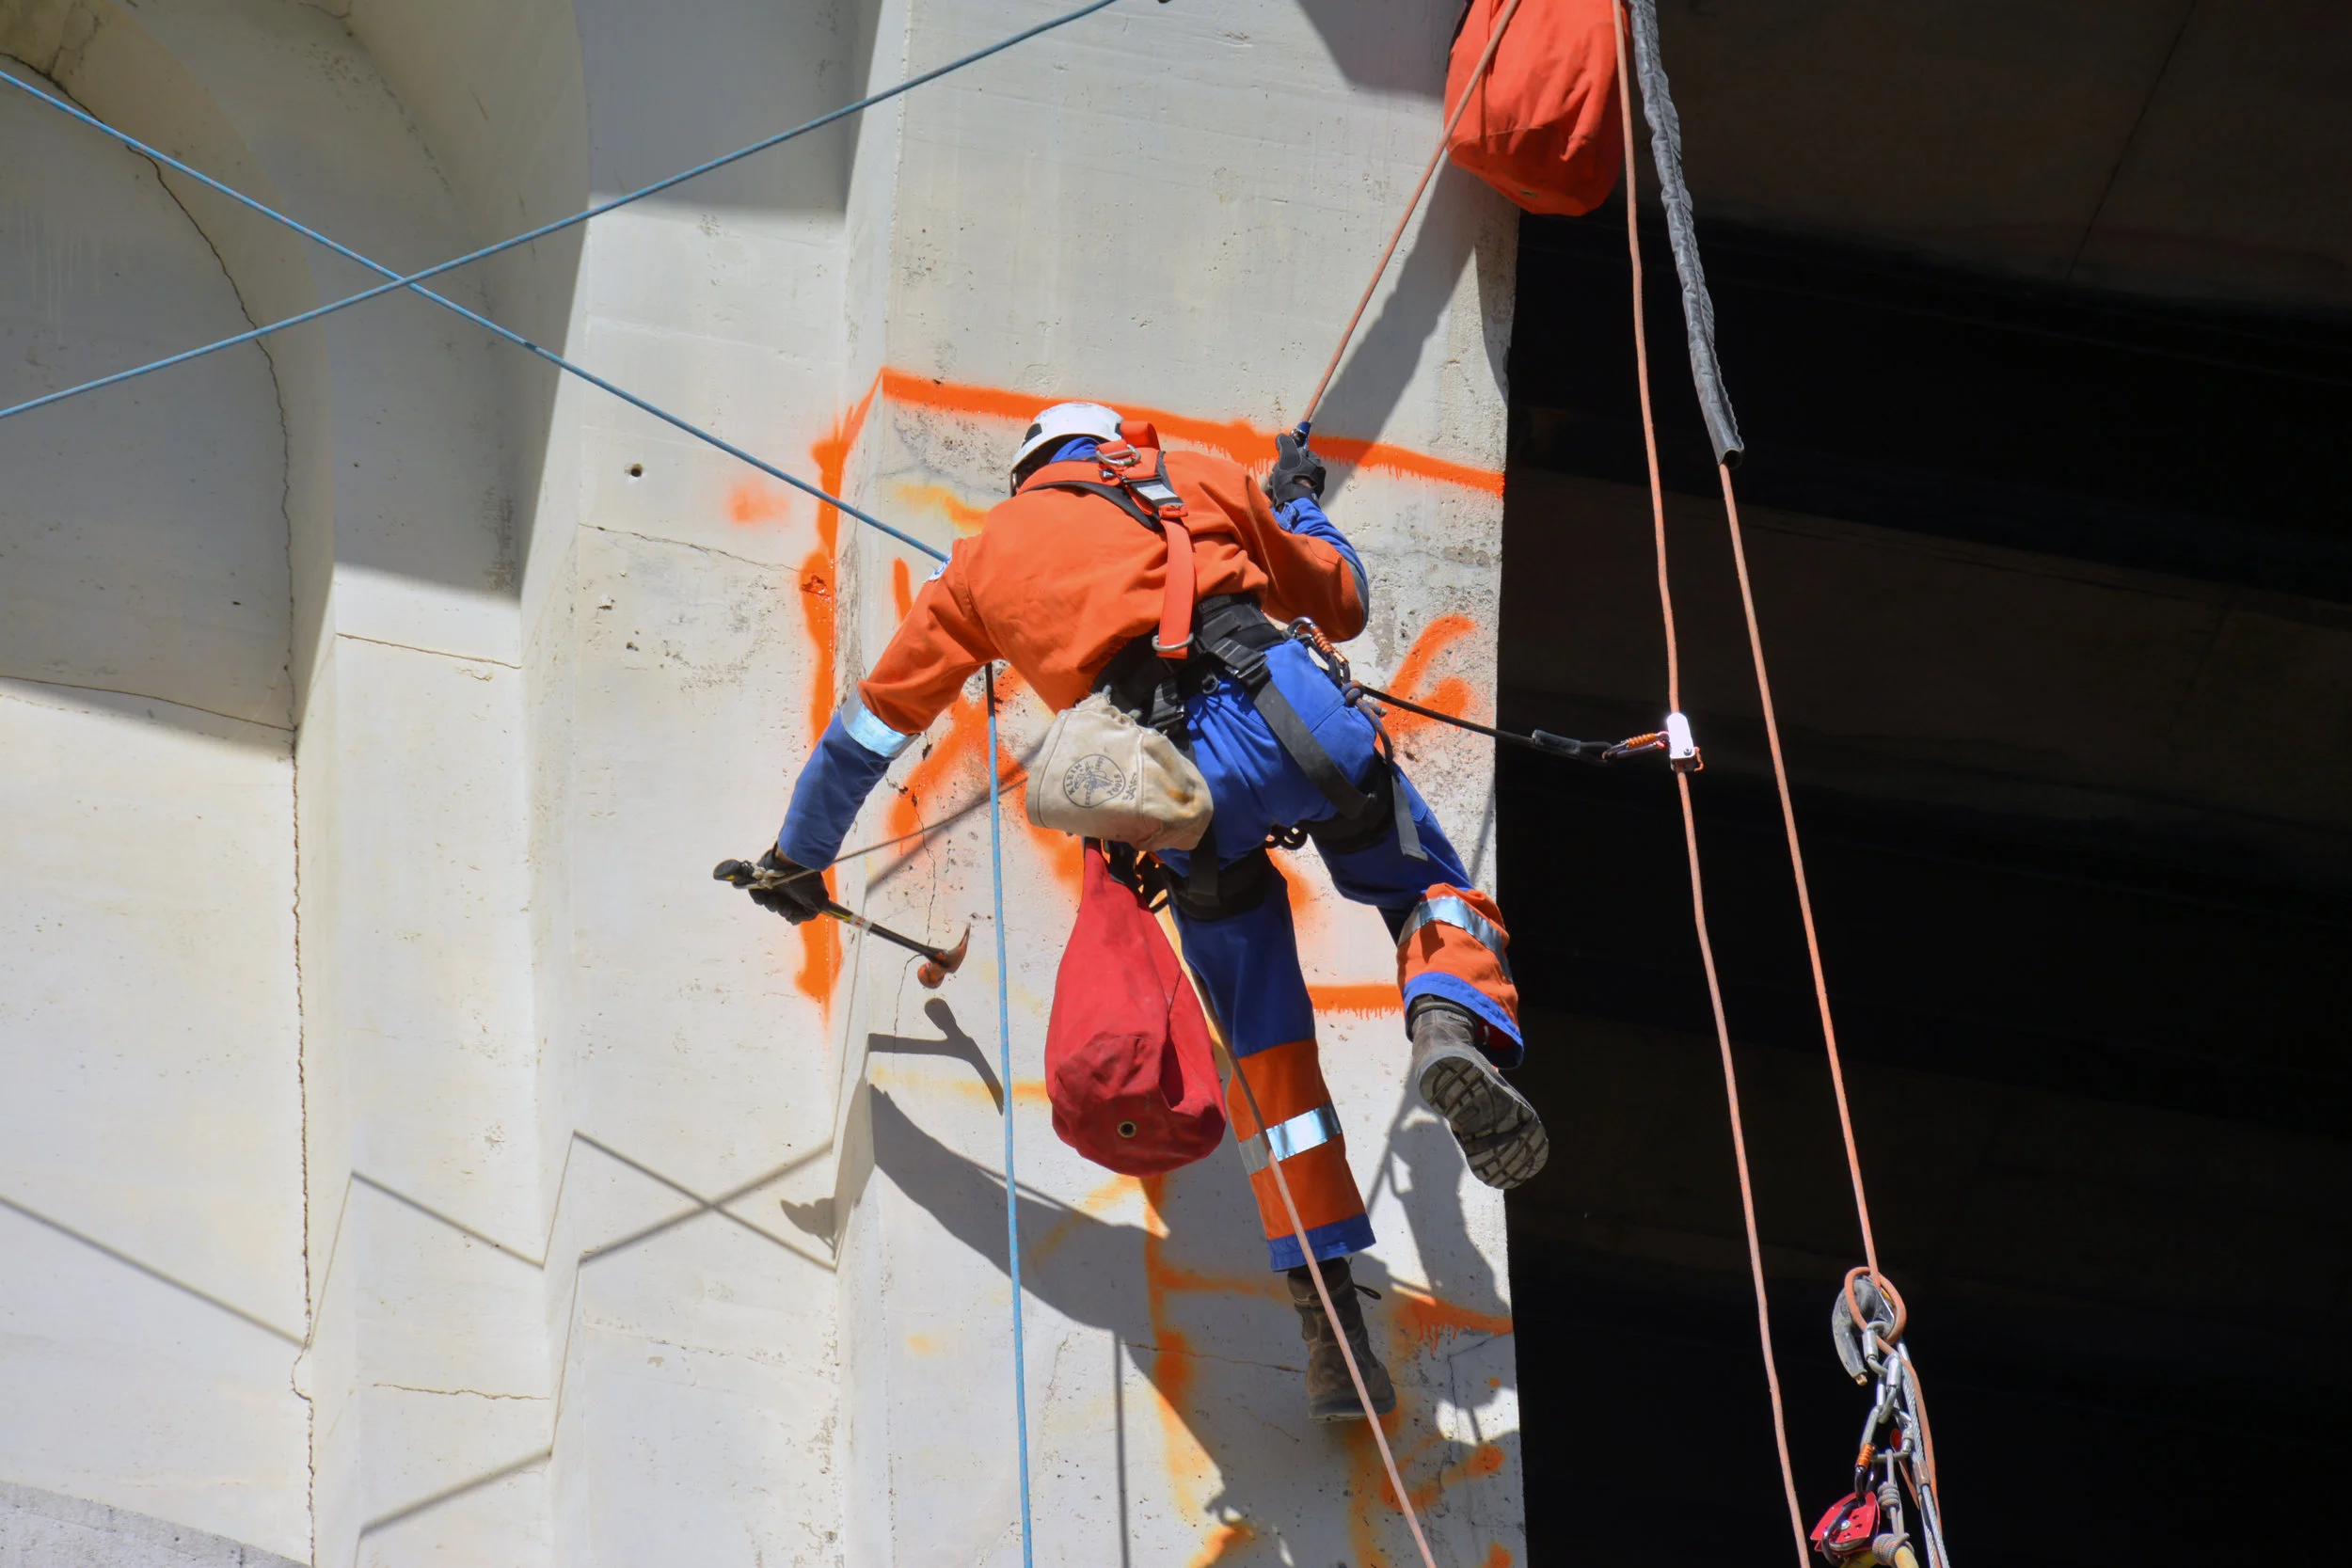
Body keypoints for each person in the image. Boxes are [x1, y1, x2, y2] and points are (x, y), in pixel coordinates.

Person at [755, 402, 1547, 1420]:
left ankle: (1333, 1333)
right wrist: (1302, 504)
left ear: (1027, 473)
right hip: (1290, 713)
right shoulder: (1186, 474)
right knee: (1427, 888)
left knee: (1272, 1067)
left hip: (1172, 796)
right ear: (1100, 444)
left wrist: (796, 856)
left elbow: (867, 731)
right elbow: (1339, 598)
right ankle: (1445, 1022)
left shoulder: (977, 568)